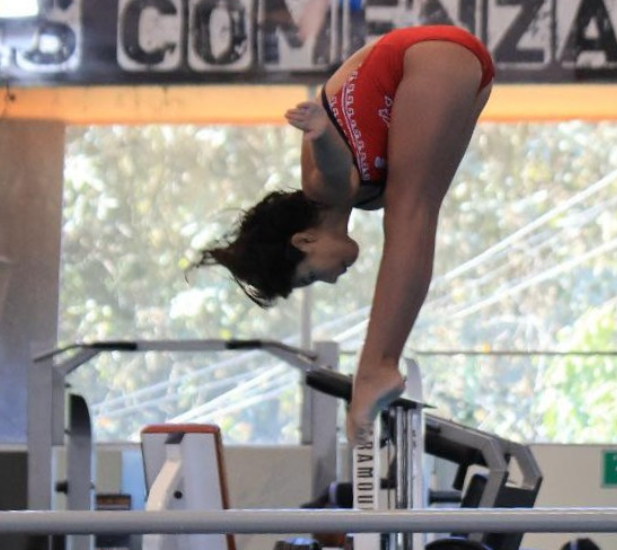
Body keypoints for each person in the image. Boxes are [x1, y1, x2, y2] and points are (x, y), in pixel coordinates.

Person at [196, 25, 495, 443]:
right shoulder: (360, 197)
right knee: (415, 209)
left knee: (410, 214)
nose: (332, 278)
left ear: (304, 240)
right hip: (455, 63)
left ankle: (375, 368)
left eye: (311, 275)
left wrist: (322, 135)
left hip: (427, 59)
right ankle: (379, 366)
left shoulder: (323, 190)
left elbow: (335, 168)